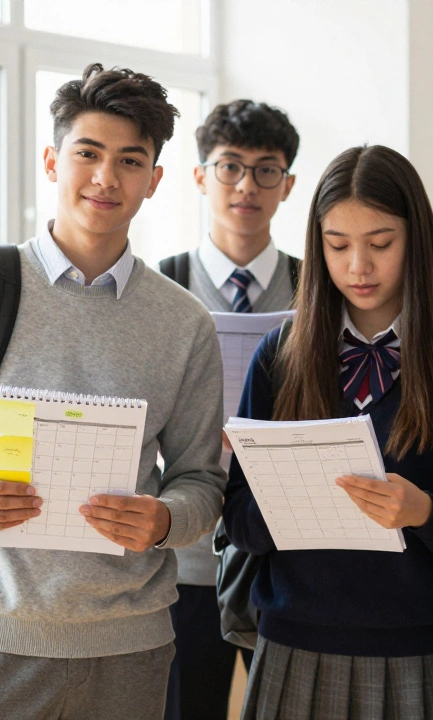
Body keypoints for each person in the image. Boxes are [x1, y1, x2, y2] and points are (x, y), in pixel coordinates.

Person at [0, 63, 226, 720]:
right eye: (88, 153)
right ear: (54, 160)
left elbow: (203, 481)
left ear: (155, 180)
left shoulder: (184, 322)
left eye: (130, 160)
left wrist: (166, 518)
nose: (106, 178)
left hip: (133, 647)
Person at [222, 144, 433, 720]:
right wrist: (287, 498)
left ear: (416, 241)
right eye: (337, 245)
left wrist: (423, 509)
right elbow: (237, 521)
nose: (358, 267)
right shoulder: (281, 354)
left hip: (425, 647)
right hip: (294, 642)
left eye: (380, 244)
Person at [161, 98, 301, 720]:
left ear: (288, 184)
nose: (247, 185)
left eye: (266, 169)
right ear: (200, 176)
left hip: (283, 550)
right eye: (229, 167)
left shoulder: (317, 288)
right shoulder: (159, 286)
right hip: (182, 562)